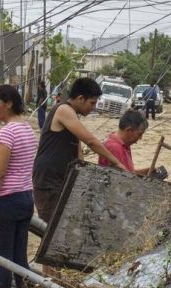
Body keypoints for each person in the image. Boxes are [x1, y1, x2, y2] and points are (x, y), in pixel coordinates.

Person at [33, 78, 127, 224]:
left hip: (61, 181)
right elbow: (90, 141)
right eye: (92, 103)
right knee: (54, 231)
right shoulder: (63, 110)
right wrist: (117, 162)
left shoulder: (72, 115)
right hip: (49, 183)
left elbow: (78, 151)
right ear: (80, 98)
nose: (93, 107)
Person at [0, 84, 37, 288]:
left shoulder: (8, 132)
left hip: (7, 201)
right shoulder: (27, 129)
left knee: (3, 261)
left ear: (9, 104)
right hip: (25, 198)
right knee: (19, 260)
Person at [98, 111, 152, 175]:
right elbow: (125, 179)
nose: (140, 138)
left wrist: (147, 171)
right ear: (129, 131)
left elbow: (129, 173)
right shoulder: (115, 147)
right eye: (139, 134)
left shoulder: (124, 144)